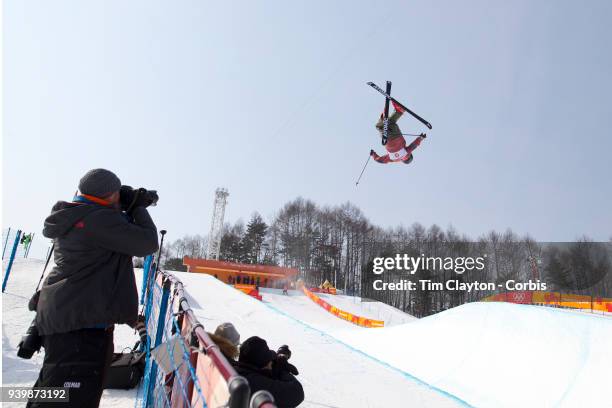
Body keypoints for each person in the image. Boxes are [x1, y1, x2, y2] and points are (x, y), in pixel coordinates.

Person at [27, 168, 159, 408]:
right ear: (109, 196)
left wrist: (124, 206)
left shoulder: (75, 215)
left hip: (63, 320)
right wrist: (138, 206)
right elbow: (148, 242)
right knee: (70, 399)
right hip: (82, 330)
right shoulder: (98, 220)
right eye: (118, 193)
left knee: (51, 391)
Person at [235, 336, 304, 408]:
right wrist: (281, 369)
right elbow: (297, 392)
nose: (271, 364)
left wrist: (277, 357)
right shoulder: (253, 382)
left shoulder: (239, 369)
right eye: (270, 363)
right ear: (262, 366)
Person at [370, 100, 427, 165]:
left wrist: (421, 138)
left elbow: (413, 146)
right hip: (386, 138)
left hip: (396, 135)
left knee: (391, 122)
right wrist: (373, 154)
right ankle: (389, 116)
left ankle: (399, 111)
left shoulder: (407, 154)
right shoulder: (392, 160)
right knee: (379, 126)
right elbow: (380, 160)